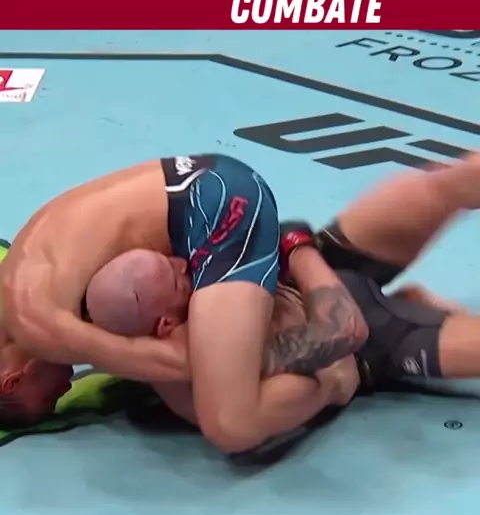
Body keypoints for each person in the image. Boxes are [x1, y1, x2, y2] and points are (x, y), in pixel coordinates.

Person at [86, 152, 480, 429]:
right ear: (164, 324)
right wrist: (296, 250)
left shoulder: (165, 297)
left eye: (170, 260)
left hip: (315, 270)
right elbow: (340, 354)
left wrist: (293, 256)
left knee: (447, 184)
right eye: (175, 278)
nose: (182, 263)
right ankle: (414, 310)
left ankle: (411, 300)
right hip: (372, 338)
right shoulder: (205, 375)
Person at [0, 155, 367, 448]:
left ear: (12, 382)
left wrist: (241, 360)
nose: (63, 394)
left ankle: (333, 347)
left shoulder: (38, 325)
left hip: (218, 208)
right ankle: (274, 290)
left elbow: (176, 363)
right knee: (171, 372)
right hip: (194, 186)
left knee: (230, 423)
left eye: (46, 402)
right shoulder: (18, 297)